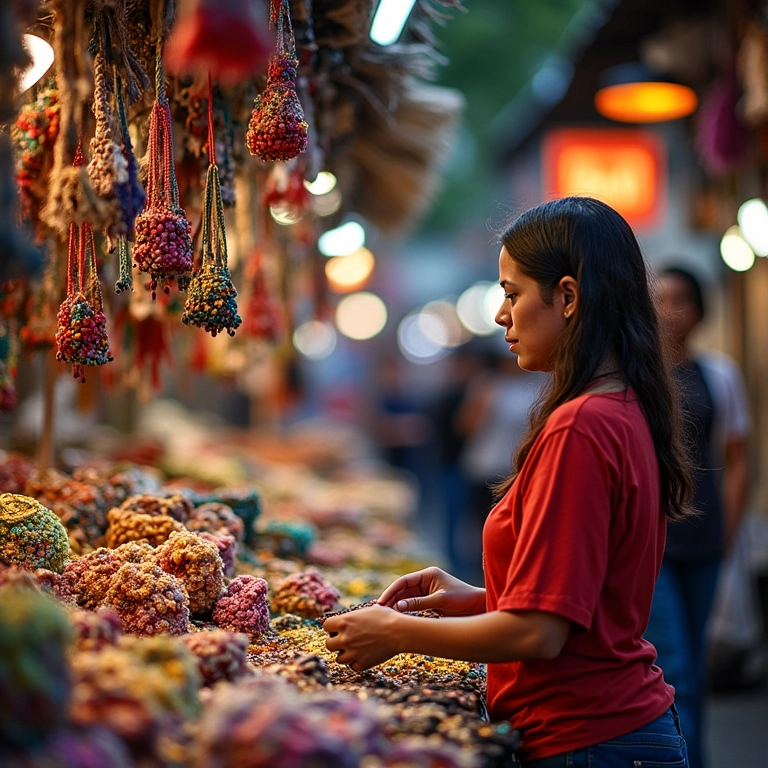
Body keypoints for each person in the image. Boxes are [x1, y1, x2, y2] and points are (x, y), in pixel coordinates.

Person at [324, 196, 693, 767]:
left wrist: (396, 633)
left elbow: (538, 634)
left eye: (512, 293)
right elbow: (579, 605)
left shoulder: (581, 427)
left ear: (567, 297)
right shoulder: (618, 407)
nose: (500, 315)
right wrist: (473, 600)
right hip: (609, 731)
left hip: (590, 737)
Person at [644, 265, 750, 768]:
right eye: (659, 300)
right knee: (672, 665)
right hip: (655, 541)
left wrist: (730, 526)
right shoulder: (639, 375)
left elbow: (738, 454)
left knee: (697, 667)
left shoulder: (720, 373)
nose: (669, 312)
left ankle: (697, 756)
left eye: (679, 300)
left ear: (700, 309)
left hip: (706, 536)